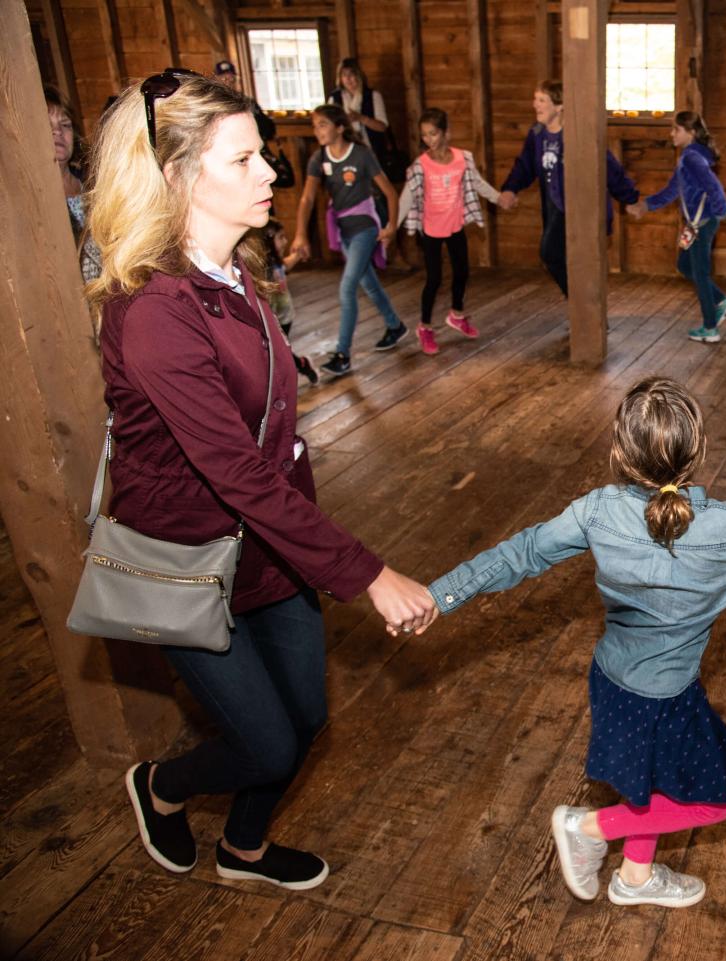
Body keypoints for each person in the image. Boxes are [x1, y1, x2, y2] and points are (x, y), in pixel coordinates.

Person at [84, 73, 436, 890]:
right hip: (190, 563)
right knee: (267, 742)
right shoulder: (153, 309)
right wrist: (369, 575)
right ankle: (160, 786)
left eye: (262, 155)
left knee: (307, 717)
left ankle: (243, 848)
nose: (271, 173)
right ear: (177, 178)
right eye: (243, 160)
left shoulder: (237, 270)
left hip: (273, 552)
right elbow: (237, 473)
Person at [425, 377, 726, 906]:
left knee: (651, 786)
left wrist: (438, 595)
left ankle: (634, 878)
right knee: (714, 804)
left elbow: (521, 553)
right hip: (664, 698)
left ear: (619, 451)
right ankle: (589, 828)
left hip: (611, 678)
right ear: (698, 450)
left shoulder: (595, 511)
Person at [291, 103, 406, 379]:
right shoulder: (319, 159)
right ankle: (395, 325)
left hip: (366, 227)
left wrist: (390, 227)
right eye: (315, 125)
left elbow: (390, 193)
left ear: (339, 127)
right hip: (343, 229)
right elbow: (307, 198)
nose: (317, 131)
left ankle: (343, 354)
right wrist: (300, 233)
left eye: (322, 125)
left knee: (347, 288)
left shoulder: (362, 155)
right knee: (367, 282)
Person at [497, 80, 639, 297]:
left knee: (552, 252)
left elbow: (608, 167)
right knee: (559, 256)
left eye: (542, 100)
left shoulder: (578, 135)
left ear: (559, 105)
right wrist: (510, 189)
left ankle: (583, 305)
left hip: (579, 208)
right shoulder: (537, 134)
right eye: (535, 99)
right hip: (554, 206)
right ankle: (581, 306)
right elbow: (524, 166)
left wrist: (630, 198)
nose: (535, 105)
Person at [629, 113, 726, 343]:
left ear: (692, 133)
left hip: (703, 222)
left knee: (699, 272)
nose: (671, 134)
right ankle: (720, 300)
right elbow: (672, 190)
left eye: (676, 130)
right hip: (695, 223)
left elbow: (714, 186)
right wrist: (646, 205)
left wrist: (720, 211)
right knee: (684, 265)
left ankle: (710, 328)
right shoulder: (688, 156)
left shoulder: (692, 158)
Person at [402, 107, 500, 354]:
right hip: (431, 230)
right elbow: (407, 197)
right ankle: (424, 327)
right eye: (424, 135)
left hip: (455, 225)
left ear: (446, 133)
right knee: (433, 279)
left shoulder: (462, 159)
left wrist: (499, 198)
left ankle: (457, 314)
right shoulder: (421, 165)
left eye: (433, 134)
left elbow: (477, 183)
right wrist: (391, 226)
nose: (429, 140)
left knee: (462, 272)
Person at [46, 84, 101, 282]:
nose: (57, 132)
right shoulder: (34, 201)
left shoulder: (93, 187)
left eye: (65, 125)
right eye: (47, 124)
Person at [258, 219, 319, 385]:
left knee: (278, 353)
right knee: (276, 353)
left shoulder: (276, 263)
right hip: (271, 319)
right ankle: (301, 366)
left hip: (284, 316)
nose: (285, 241)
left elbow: (286, 265)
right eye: (281, 237)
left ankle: (300, 366)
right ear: (268, 240)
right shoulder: (261, 267)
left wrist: (298, 254)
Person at [328, 58, 397, 174]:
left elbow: (382, 127)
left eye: (352, 74)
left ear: (359, 76)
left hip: (370, 148)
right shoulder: (335, 98)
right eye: (345, 75)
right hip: (344, 149)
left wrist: (360, 118)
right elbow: (330, 125)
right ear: (340, 78)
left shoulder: (373, 96)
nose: (349, 79)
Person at [213, 60, 276, 142]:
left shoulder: (246, 101)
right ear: (216, 80)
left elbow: (268, 128)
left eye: (231, 78)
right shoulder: (212, 102)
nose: (228, 82)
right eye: (224, 78)